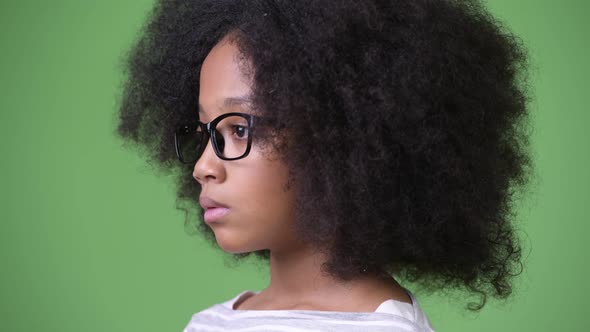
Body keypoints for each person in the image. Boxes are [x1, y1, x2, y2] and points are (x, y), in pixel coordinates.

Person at [116, 0, 532, 331]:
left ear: (344, 136)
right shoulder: (211, 323)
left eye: (240, 129)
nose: (203, 166)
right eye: (207, 134)